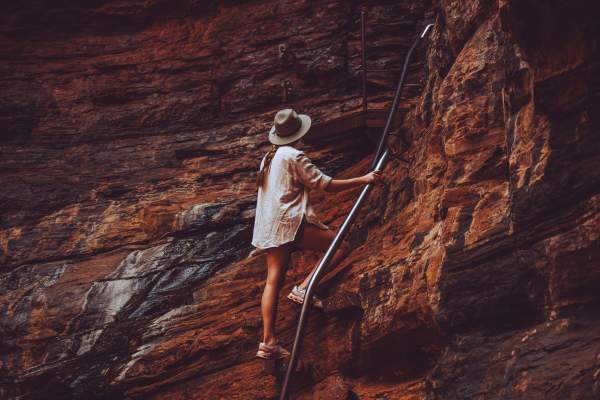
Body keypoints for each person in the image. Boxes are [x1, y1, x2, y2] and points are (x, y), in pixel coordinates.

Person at [251, 108, 384, 360]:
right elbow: (326, 185)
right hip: (289, 223)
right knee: (339, 246)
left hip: (269, 227)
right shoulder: (294, 156)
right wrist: (364, 179)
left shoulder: (269, 158)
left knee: (272, 282)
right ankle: (303, 288)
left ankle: (267, 342)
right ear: (299, 133)